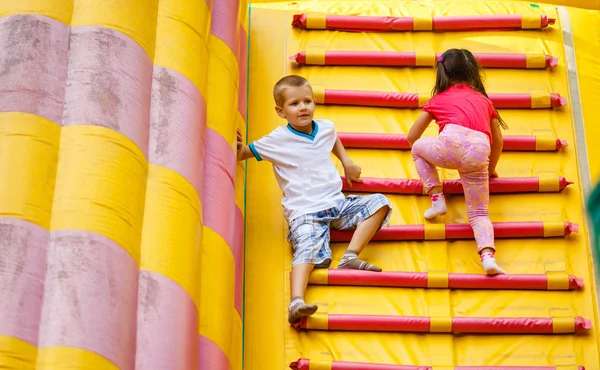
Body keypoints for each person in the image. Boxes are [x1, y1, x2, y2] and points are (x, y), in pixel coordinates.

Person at [237, 75, 392, 324]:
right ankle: (296, 301)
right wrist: (234, 145)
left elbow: (332, 138)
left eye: (307, 101)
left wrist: (347, 163)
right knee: (307, 250)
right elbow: (243, 153)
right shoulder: (276, 140)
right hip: (305, 211)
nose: (303, 108)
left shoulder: (326, 127)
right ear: (280, 111)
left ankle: (350, 256)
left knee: (380, 203)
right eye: (295, 104)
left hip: (336, 204)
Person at [407, 48, 507, 275]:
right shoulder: (484, 101)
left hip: (449, 146)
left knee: (417, 149)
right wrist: (490, 170)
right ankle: (488, 257)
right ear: (473, 72)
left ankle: (436, 197)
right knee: (480, 213)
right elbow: (498, 142)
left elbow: (412, 136)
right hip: (479, 153)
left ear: (442, 72)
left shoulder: (438, 99)